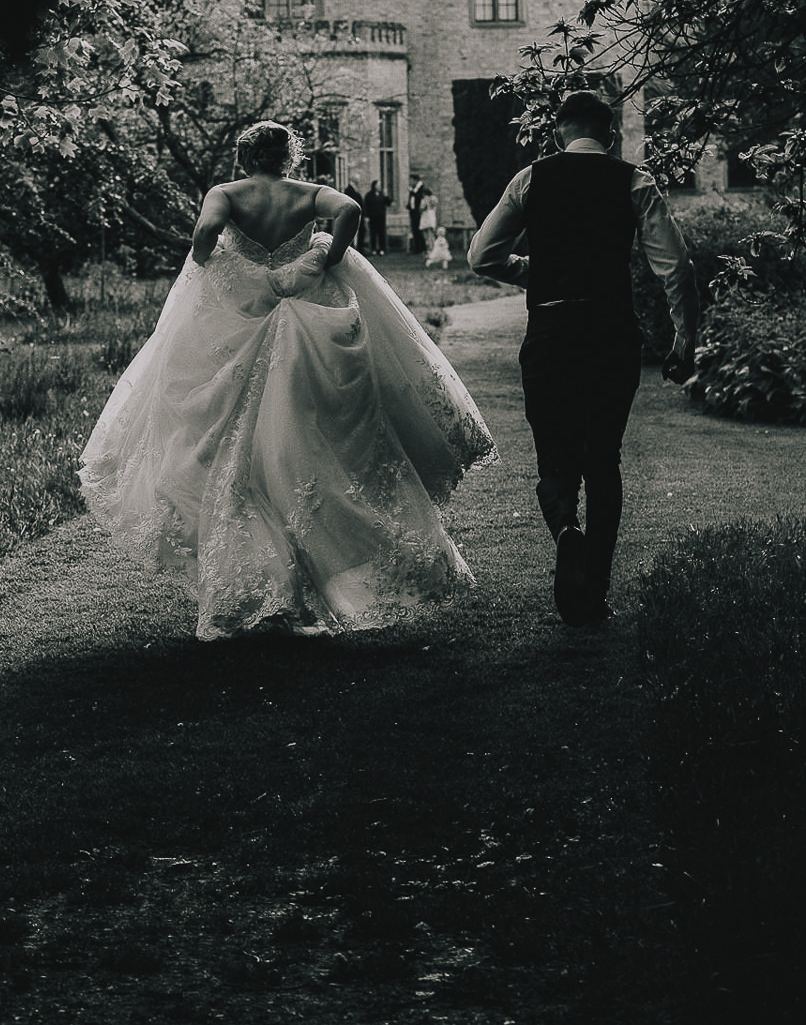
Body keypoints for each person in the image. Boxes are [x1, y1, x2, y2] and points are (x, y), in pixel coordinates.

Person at [81, 121, 497, 641]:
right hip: (308, 322)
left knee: (237, 453)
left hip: (246, 320)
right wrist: (328, 253)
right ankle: (303, 582)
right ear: (290, 158)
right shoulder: (308, 193)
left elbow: (204, 235)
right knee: (303, 442)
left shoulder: (227, 193)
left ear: (244, 158)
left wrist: (212, 261)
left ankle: (262, 586)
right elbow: (349, 209)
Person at [467, 88, 697, 627]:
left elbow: (481, 256)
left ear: (557, 134)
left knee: (555, 457)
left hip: (551, 331)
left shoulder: (531, 178)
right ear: (611, 133)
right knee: (603, 460)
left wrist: (532, 271)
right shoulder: (634, 181)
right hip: (611, 334)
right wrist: (684, 338)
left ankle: (567, 535)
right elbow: (677, 267)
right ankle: (594, 587)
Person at [363, 179, 389, 255]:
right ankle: (373, 249)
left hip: (381, 217)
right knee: (373, 233)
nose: (379, 187)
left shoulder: (382, 195)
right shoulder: (369, 195)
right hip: (373, 217)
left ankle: (382, 249)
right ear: (374, 186)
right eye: (378, 185)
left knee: (381, 233)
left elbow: (388, 203)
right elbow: (366, 206)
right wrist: (366, 216)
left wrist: (386, 195)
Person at [407, 177, 432, 254]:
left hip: (419, 212)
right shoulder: (414, 189)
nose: (410, 182)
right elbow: (412, 199)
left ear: (415, 180)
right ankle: (417, 247)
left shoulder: (421, 188)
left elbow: (420, 197)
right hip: (413, 211)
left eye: (411, 180)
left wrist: (412, 191)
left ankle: (422, 247)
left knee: (419, 230)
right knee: (415, 230)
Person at [344, 180, 367, 253]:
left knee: (360, 231)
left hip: (357, 215)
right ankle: (356, 248)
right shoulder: (350, 191)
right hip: (353, 216)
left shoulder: (354, 190)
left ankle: (359, 247)